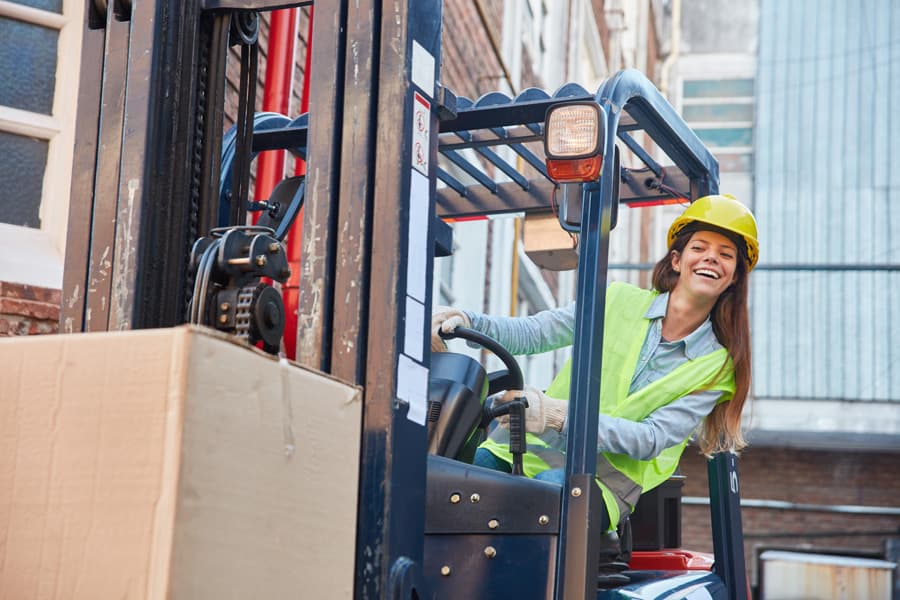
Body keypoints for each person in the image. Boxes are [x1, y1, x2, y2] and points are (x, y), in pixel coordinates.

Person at [431, 194, 759, 532]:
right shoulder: (617, 301)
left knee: (545, 496)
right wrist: (466, 320)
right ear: (677, 260)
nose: (710, 259)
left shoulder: (717, 368)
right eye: (700, 248)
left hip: (600, 483)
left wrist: (557, 415)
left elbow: (650, 439)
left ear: (734, 276)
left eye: (725, 255)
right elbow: (535, 333)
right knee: (451, 484)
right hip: (522, 450)